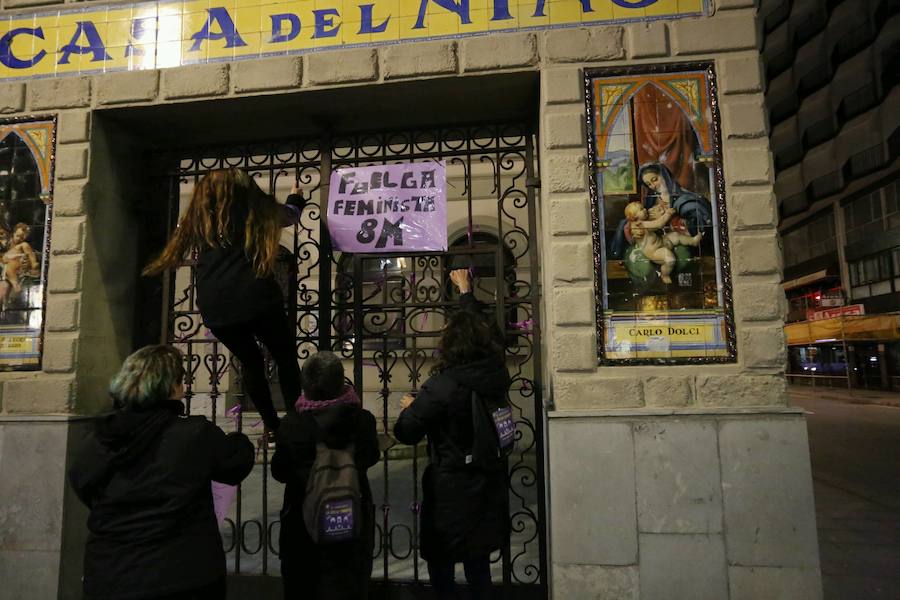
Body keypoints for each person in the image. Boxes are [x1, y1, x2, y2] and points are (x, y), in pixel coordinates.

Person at [68, 345, 255, 600]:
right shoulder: (194, 434)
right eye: (181, 380)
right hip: (182, 576)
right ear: (168, 386)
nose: (185, 387)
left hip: (111, 575)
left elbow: (82, 482)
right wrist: (238, 440)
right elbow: (234, 466)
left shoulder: (102, 437)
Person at [143, 168, 305, 432]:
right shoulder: (256, 209)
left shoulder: (200, 216)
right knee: (284, 357)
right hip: (257, 298)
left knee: (250, 362)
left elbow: (176, 243)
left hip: (217, 306)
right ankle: (297, 424)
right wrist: (295, 199)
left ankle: (273, 427)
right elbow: (290, 216)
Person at [393, 269, 510, 600]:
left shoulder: (444, 386)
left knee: (442, 566)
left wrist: (411, 407)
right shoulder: (495, 373)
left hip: (450, 488)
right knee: (478, 566)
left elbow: (406, 432)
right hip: (487, 481)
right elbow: (494, 335)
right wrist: (467, 294)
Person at [272, 351, 379, 600]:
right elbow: (371, 456)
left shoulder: (292, 424)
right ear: (341, 383)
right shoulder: (363, 421)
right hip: (351, 521)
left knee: (303, 587)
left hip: (302, 527)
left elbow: (280, 470)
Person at [609, 162, 712, 259]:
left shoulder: (684, 198)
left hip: (677, 241)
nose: (653, 186)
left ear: (665, 176)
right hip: (655, 241)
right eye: (649, 184)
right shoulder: (652, 198)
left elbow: (699, 223)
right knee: (624, 224)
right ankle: (616, 255)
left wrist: (672, 220)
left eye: (655, 179)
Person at [623, 201, 703, 284]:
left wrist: (660, 210)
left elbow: (655, 218)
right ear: (635, 216)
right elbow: (659, 224)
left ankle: (693, 241)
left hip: (660, 241)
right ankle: (665, 274)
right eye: (641, 209)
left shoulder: (643, 221)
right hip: (655, 252)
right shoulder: (640, 225)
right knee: (670, 259)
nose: (645, 209)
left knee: (676, 235)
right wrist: (667, 214)